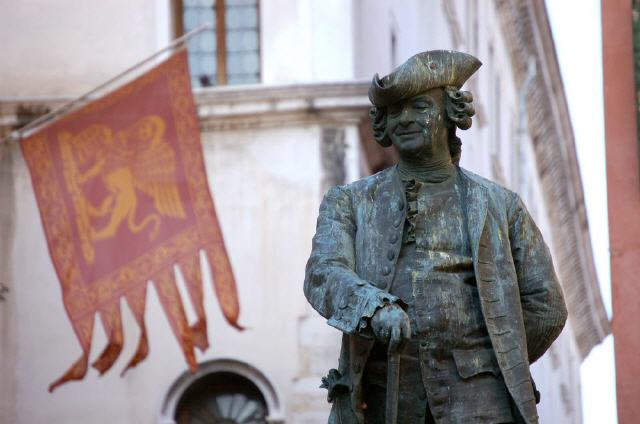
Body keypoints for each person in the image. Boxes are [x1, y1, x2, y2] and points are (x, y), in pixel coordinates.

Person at [304, 50, 567, 424]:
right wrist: (373, 307)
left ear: (450, 113)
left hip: (482, 404)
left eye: (419, 107)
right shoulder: (349, 201)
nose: (405, 119)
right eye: (394, 111)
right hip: (383, 399)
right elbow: (323, 272)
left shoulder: (499, 205)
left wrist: (492, 359)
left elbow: (547, 305)